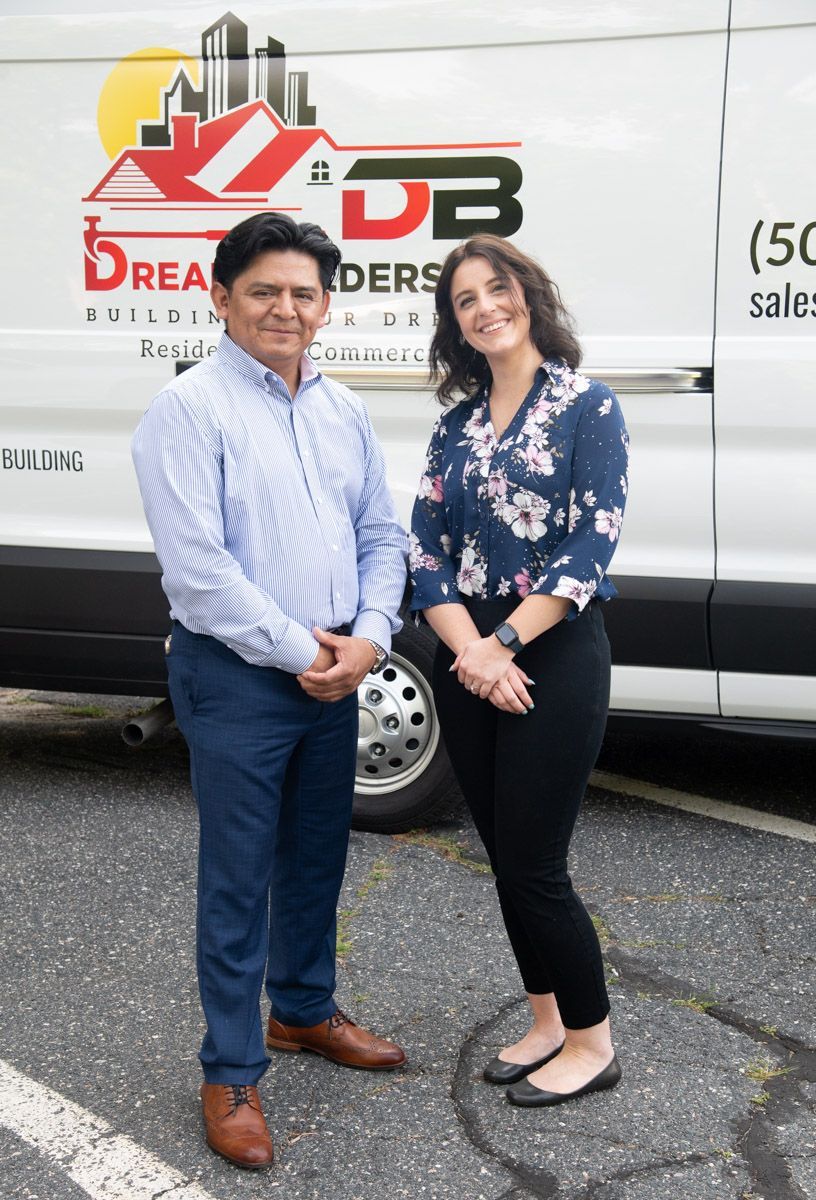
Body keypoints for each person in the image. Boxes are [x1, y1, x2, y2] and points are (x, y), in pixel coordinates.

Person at [131, 213, 408, 1169]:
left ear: (325, 306)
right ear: (220, 299)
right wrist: (306, 651)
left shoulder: (344, 409)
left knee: (313, 859)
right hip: (240, 677)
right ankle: (231, 1067)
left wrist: (368, 639)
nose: (285, 308)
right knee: (238, 880)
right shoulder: (189, 409)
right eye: (263, 291)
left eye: (302, 292)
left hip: (332, 671)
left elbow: (383, 534)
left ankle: (300, 1011)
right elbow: (199, 572)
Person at [409, 234, 629, 1108]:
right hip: (471, 658)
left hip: (554, 652)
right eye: (465, 300)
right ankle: (546, 1023)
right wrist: (470, 650)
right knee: (503, 858)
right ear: (455, 325)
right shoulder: (455, 425)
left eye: (496, 289)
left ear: (528, 297)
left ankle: (593, 1042)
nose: (484, 307)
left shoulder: (588, 406)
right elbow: (425, 548)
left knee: (537, 865)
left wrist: (505, 645)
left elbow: (593, 541)